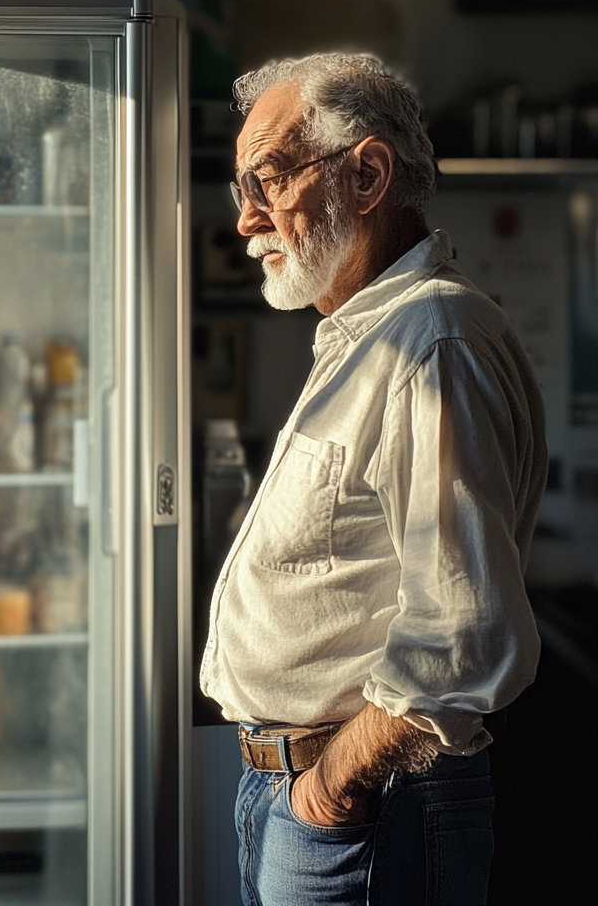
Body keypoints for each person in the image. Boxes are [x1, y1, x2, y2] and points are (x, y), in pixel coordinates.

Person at [200, 54, 546, 906]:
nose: (246, 219)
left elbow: (467, 630)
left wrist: (327, 792)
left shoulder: (431, 339)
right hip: (301, 797)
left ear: (366, 173)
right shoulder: (369, 332)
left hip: (362, 804)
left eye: (268, 179)